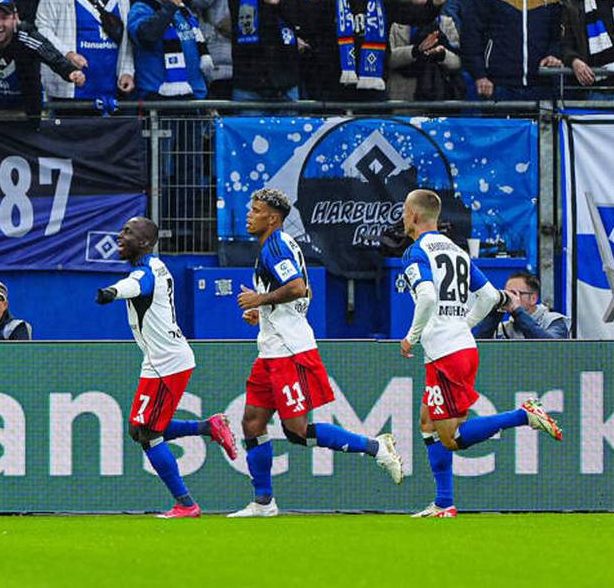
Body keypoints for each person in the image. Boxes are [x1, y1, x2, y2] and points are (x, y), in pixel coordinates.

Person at [228, 187, 403, 517]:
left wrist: (259, 300)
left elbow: (295, 287)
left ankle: (376, 447)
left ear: (273, 218)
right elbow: (301, 291)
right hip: (271, 350)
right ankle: (263, 502)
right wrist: (261, 311)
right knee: (252, 423)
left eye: (256, 210)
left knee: (296, 432)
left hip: (290, 352)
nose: (249, 215)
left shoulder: (276, 245)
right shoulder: (276, 244)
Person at [399, 188, 562, 518]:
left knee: (452, 438)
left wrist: (411, 337)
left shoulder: (416, 252)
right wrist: (463, 324)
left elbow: (428, 298)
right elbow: (490, 296)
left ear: (415, 215)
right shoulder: (458, 252)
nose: (403, 217)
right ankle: (443, 504)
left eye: (404, 211)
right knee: (427, 422)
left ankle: (524, 414)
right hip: (455, 347)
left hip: (447, 353)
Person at [93, 216, 237, 518]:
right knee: (142, 428)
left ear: (144, 242)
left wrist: (112, 292)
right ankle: (209, 427)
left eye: (127, 233)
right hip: (161, 360)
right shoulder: (154, 265)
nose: (120, 236)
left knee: (146, 433)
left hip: (166, 362)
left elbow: (136, 284)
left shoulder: (146, 272)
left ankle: (186, 504)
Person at [273, 0, 447, 102]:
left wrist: (434, 5)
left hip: (373, 91)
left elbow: (415, 15)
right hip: (333, 91)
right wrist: (278, 3)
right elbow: (300, 14)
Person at [35, 0, 134, 104]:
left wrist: (127, 71)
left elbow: (127, 35)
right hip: (71, 93)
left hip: (111, 91)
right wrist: (68, 54)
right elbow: (42, 29)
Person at [128, 0, 212, 99]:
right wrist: (170, 7)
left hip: (192, 96)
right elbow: (147, 36)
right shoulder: (140, 9)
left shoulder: (183, 11)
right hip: (158, 98)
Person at [388, 0, 462, 101]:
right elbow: (388, 59)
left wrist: (442, 55)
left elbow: (457, 62)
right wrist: (415, 51)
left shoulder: (446, 23)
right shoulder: (395, 24)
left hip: (439, 91)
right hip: (402, 93)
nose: (428, 1)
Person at [472, 271, 571, 339]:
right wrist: (496, 312)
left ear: (533, 298)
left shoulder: (555, 321)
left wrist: (517, 311)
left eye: (514, 293)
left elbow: (550, 347)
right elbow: (478, 344)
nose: (511, 297)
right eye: (508, 293)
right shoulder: (505, 328)